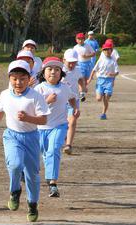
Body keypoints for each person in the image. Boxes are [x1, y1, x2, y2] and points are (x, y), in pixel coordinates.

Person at [0, 60, 49, 222]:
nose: (18, 82)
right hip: (12, 136)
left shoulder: (35, 96)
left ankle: (32, 204)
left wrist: (28, 118)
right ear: (9, 78)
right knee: (14, 165)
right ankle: (15, 191)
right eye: (14, 78)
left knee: (32, 174)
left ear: (28, 78)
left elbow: (43, 120)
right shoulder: (5, 94)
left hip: (31, 137)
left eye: (22, 78)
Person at [35, 57, 80, 197]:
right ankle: (39, 174)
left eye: (57, 69)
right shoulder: (39, 88)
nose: (53, 72)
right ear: (43, 72)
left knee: (54, 150)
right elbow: (33, 108)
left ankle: (53, 183)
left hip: (59, 126)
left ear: (61, 73)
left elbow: (72, 97)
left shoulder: (65, 87)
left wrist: (74, 108)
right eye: (49, 69)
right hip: (40, 128)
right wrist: (46, 101)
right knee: (42, 154)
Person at [62, 49, 86, 155]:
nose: (72, 64)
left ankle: (68, 145)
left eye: (74, 62)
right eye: (69, 62)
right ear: (64, 60)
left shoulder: (78, 70)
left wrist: (82, 90)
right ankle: (65, 137)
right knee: (62, 124)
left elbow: (80, 80)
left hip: (73, 100)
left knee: (72, 120)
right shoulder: (59, 70)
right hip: (60, 101)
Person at [87, 42, 119, 120]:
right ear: (103, 51)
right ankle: (101, 95)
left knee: (106, 98)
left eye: (109, 50)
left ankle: (103, 113)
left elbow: (117, 72)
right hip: (100, 80)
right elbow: (94, 70)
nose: (107, 51)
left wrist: (113, 74)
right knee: (98, 99)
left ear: (112, 51)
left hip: (109, 81)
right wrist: (90, 78)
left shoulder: (113, 60)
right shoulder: (100, 60)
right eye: (105, 50)